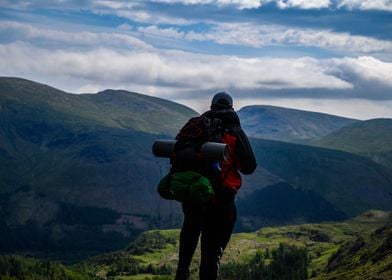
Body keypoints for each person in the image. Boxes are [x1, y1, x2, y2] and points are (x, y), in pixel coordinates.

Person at [173, 91, 257, 280]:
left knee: (190, 233)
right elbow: (249, 167)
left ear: (211, 106)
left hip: (194, 193)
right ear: (231, 107)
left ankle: (182, 273)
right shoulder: (234, 131)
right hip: (221, 197)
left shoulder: (197, 125)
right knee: (211, 251)